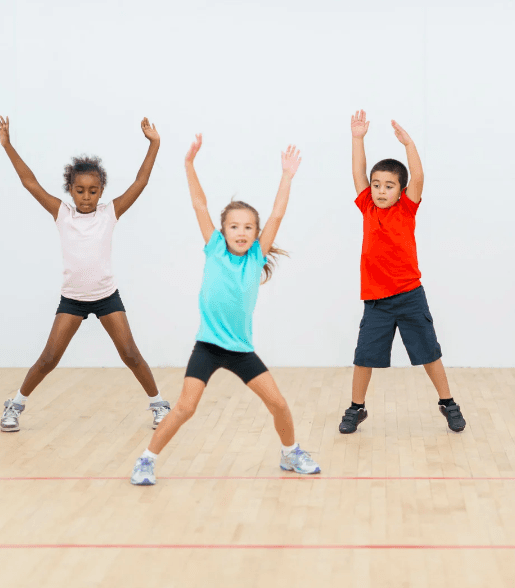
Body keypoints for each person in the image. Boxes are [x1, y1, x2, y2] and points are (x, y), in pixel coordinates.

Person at [130, 134, 319, 485]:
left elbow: (278, 212)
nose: (241, 232)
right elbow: (200, 205)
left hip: (241, 350)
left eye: (249, 227)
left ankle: (290, 452)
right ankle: (146, 460)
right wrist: (189, 164)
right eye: (235, 226)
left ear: (257, 233)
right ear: (223, 231)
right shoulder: (214, 248)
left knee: (278, 403)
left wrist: (287, 177)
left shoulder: (256, 257)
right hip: (208, 346)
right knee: (186, 407)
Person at [0, 115, 169, 432]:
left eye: (92, 191)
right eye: (80, 190)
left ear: (101, 191)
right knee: (49, 358)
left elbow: (140, 182)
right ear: (70, 191)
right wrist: (7, 145)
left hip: (106, 298)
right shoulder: (61, 213)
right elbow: (29, 182)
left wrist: (154, 144)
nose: (86, 197)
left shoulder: (110, 212)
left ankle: (159, 404)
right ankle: (15, 405)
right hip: (73, 300)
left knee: (130, 354)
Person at [338, 110, 466, 435]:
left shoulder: (407, 209)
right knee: (364, 356)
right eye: (377, 184)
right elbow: (357, 172)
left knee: (429, 352)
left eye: (389, 186)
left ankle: (448, 402)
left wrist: (409, 143)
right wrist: (357, 138)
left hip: (410, 297)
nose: (380, 190)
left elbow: (419, 178)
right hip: (376, 301)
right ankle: (356, 407)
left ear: (401, 190)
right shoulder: (367, 206)